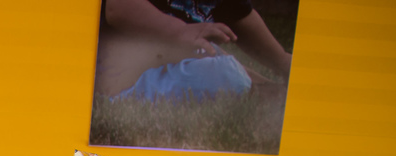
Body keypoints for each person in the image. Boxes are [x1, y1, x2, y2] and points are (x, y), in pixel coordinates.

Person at [95, 0, 293, 101]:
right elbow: (118, 7)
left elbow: (240, 16)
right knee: (223, 75)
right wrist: (181, 31)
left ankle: (261, 88)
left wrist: (283, 62)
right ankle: (253, 88)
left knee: (216, 62)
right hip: (126, 75)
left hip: (177, 63)